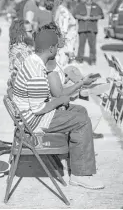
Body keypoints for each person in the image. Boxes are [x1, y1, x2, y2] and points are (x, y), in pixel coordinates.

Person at [12, 28, 104, 190]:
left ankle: (75, 157)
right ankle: (80, 174)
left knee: (80, 111)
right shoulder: (36, 73)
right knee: (81, 121)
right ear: (52, 49)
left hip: (30, 115)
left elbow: (49, 97)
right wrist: (61, 100)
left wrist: (65, 95)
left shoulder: (33, 61)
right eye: (56, 45)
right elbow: (39, 109)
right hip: (33, 122)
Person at [74, 0, 104, 65]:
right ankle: (79, 59)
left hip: (92, 29)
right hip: (82, 29)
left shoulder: (97, 6)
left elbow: (101, 16)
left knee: (92, 46)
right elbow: (75, 15)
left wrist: (94, 18)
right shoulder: (79, 6)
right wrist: (82, 17)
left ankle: (92, 60)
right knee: (81, 45)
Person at [52, 0, 78, 68]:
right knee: (65, 66)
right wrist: (70, 52)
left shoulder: (60, 9)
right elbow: (64, 31)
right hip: (67, 45)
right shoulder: (64, 12)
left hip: (67, 44)